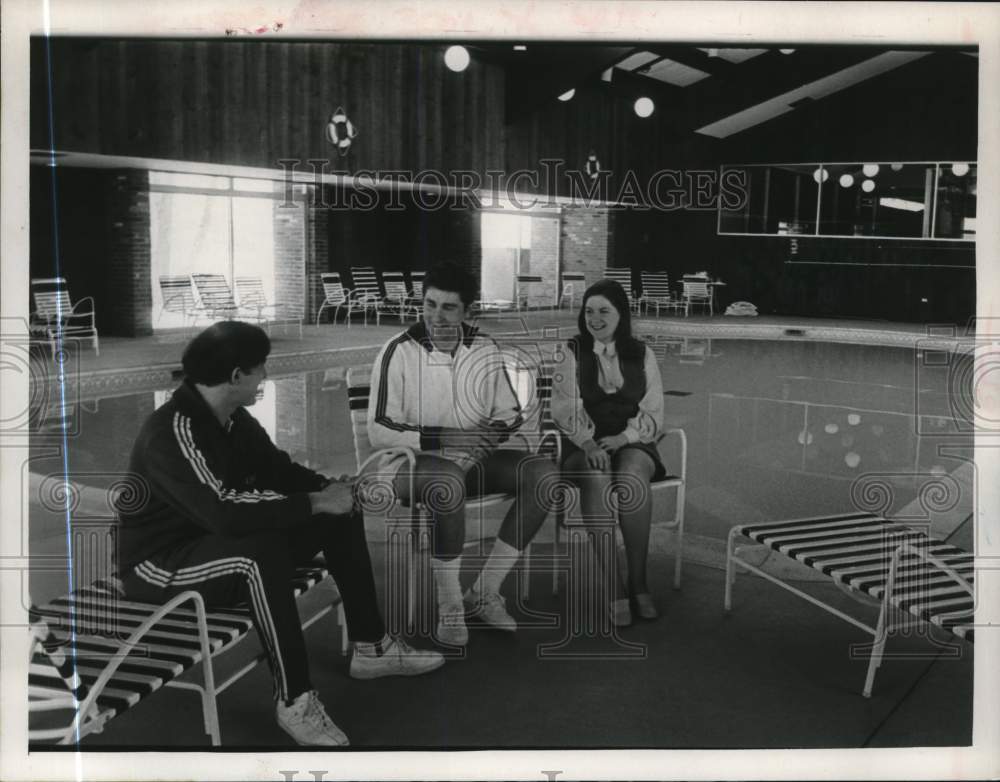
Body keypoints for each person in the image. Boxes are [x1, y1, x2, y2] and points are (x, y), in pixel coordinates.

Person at [116, 321, 444, 748]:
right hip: (159, 564)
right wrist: (315, 501)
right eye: (261, 369)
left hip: (213, 545)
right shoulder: (172, 431)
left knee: (337, 515)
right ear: (237, 376)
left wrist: (330, 491)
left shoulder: (233, 420)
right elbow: (223, 513)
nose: (265, 377)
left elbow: (280, 472)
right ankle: (294, 700)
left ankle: (371, 647)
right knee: (258, 555)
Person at [367, 261, 559, 646]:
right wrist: (449, 438)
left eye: (448, 307)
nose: (436, 316)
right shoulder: (398, 351)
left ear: (467, 311)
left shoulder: (484, 347)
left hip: (471, 462)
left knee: (543, 475)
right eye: (430, 304)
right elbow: (379, 430)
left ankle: (484, 591)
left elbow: (509, 412)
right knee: (448, 480)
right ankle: (450, 605)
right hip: (408, 467)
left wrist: (490, 436)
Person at [550, 279, 667, 626]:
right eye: (589, 311)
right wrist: (588, 442)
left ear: (621, 315)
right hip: (582, 443)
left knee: (631, 474)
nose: (595, 318)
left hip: (632, 441)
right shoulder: (571, 351)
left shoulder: (643, 354)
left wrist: (624, 438)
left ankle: (639, 582)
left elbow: (654, 410)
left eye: (604, 311)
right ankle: (613, 585)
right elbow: (564, 408)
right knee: (596, 473)